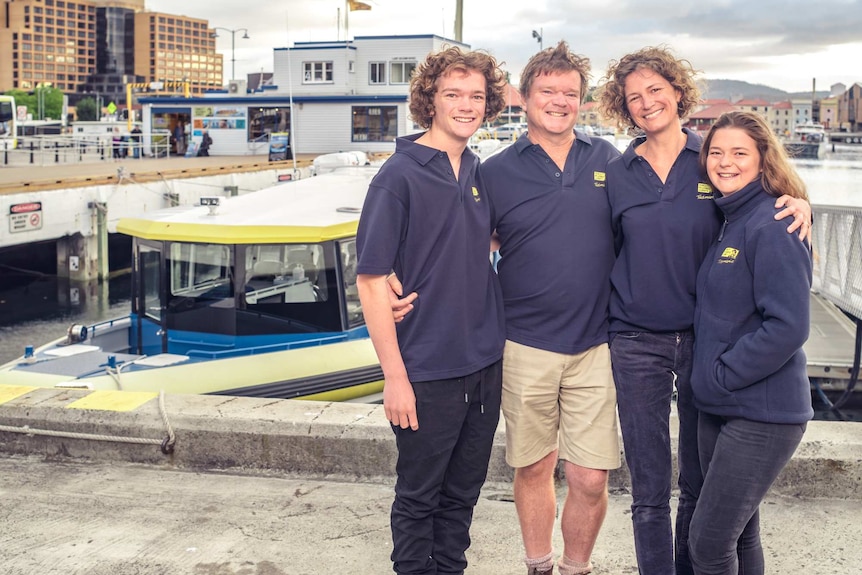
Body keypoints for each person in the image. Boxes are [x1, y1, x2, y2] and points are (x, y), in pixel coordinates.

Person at [595, 47, 810, 575]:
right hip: (635, 340)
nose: (647, 103)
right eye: (634, 97)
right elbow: (591, 242)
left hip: (703, 343)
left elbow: (765, 202)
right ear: (624, 108)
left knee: (701, 490)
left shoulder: (713, 156)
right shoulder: (617, 171)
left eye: (655, 90)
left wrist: (803, 203)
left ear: (677, 91)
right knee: (648, 490)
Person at [355, 46, 508, 575]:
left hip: (485, 363)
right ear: (430, 100)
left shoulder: (477, 170)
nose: (466, 105)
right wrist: (394, 377)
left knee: (463, 495)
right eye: (453, 94)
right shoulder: (398, 176)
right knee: (419, 496)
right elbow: (371, 280)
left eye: (476, 96)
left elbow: (477, 241)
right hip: (427, 368)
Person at [482, 41, 622, 575]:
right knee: (534, 466)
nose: (559, 101)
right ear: (525, 96)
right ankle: (539, 564)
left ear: (582, 102)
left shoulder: (608, 159)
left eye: (571, 93)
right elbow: (469, 242)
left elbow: (677, 186)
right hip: (523, 344)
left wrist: (785, 196)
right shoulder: (494, 172)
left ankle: (575, 568)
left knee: (590, 477)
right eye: (549, 90)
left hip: (595, 345)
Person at [688, 110, 813, 575]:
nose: (725, 162)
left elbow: (789, 325)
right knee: (741, 536)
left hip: (760, 411)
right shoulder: (732, 218)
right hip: (722, 406)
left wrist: (722, 375)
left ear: (763, 160)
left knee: (708, 544)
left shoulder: (773, 223)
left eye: (740, 152)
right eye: (716, 152)